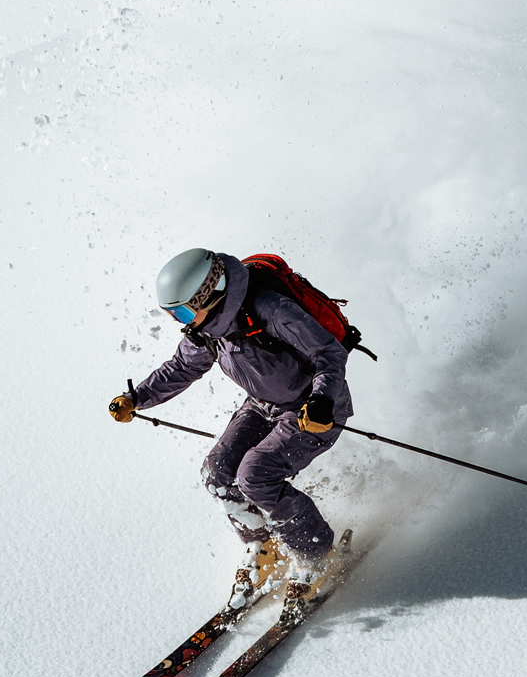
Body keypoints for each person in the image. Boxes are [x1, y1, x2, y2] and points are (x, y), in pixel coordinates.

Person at [110, 248, 349, 580]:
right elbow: (182, 367)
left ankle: (317, 557)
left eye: (180, 313)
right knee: (217, 472)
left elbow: (328, 352)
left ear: (205, 296)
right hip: (262, 405)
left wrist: (322, 399)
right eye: (172, 315)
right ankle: (262, 544)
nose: (179, 323)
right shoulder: (206, 329)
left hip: (313, 409)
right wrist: (137, 398)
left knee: (256, 474)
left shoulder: (270, 310)